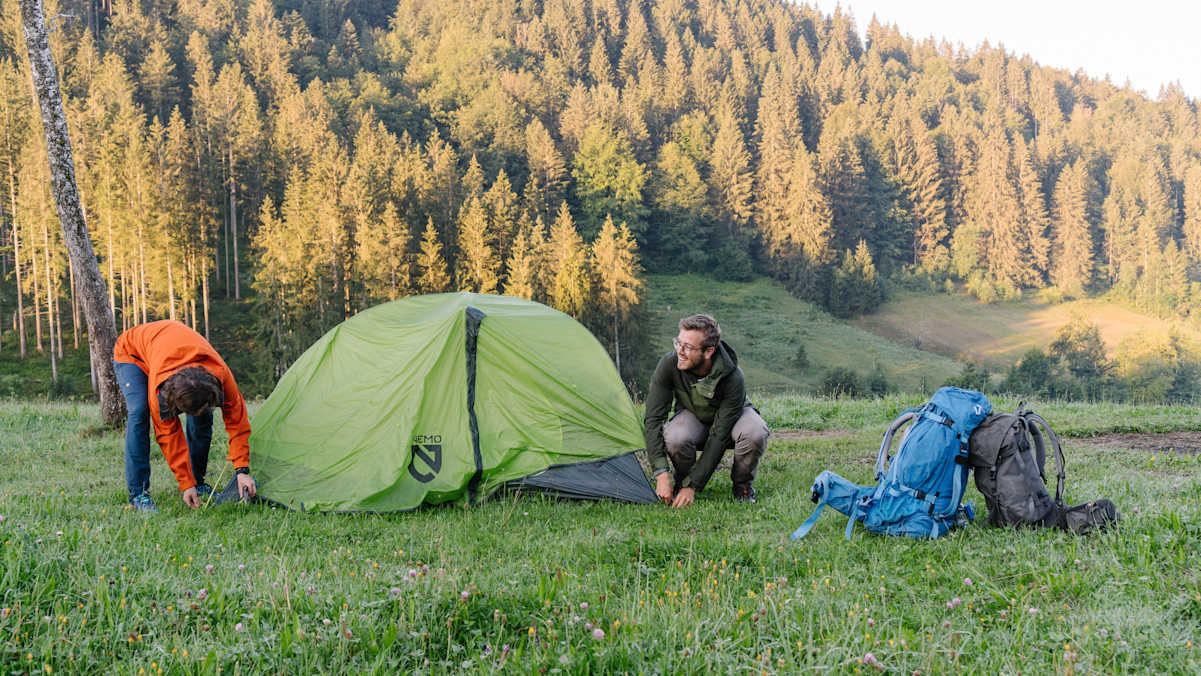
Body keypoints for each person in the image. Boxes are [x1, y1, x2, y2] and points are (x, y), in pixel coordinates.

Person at [113, 320, 257, 512]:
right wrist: (184, 483)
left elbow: (237, 421)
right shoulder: (161, 388)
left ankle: (198, 482)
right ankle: (138, 494)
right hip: (132, 353)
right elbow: (169, 435)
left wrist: (242, 470)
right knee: (139, 411)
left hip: (170, 347)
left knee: (203, 416)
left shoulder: (221, 374)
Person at [644, 314, 769, 508]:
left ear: (708, 351)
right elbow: (653, 419)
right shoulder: (669, 364)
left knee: (755, 432)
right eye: (678, 343)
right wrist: (661, 472)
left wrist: (694, 485)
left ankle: (742, 487)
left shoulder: (734, 377)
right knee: (675, 435)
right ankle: (681, 482)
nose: (680, 351)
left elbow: (719, 435)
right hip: (693, 414)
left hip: (732, 419)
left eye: (688, 347)